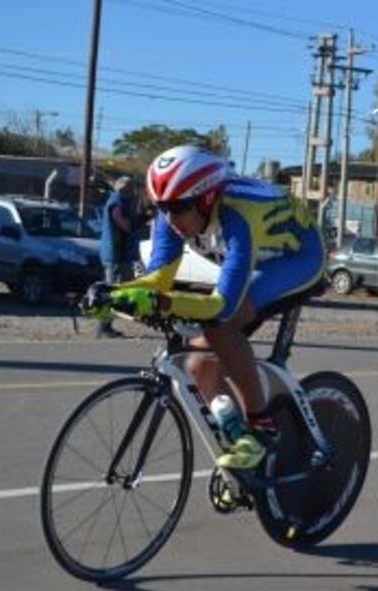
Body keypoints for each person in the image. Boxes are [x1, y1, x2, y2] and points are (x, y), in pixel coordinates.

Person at [105, 145, 326, 469]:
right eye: (161, 208)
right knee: (198, 365)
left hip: (298, 258)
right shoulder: (176, 208)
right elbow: (158, 277)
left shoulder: (239, 215)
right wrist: (112, 295)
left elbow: (221, 306)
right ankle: (240, 442)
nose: (169, 218)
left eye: (177, 208)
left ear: (205, 199)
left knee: (221, 325)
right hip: (258, 260)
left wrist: (163, 303)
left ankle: (262, 429)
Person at [97, 176, 137, 338]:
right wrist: (141, 220)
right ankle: (104, 326)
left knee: (119, 289)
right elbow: (124, 224)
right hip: (115, 254)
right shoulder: (117, 202)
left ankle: (107, 324)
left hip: (118, 253)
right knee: (113, 291)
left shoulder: (119, 201)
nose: (132, 190)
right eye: (130, 187)